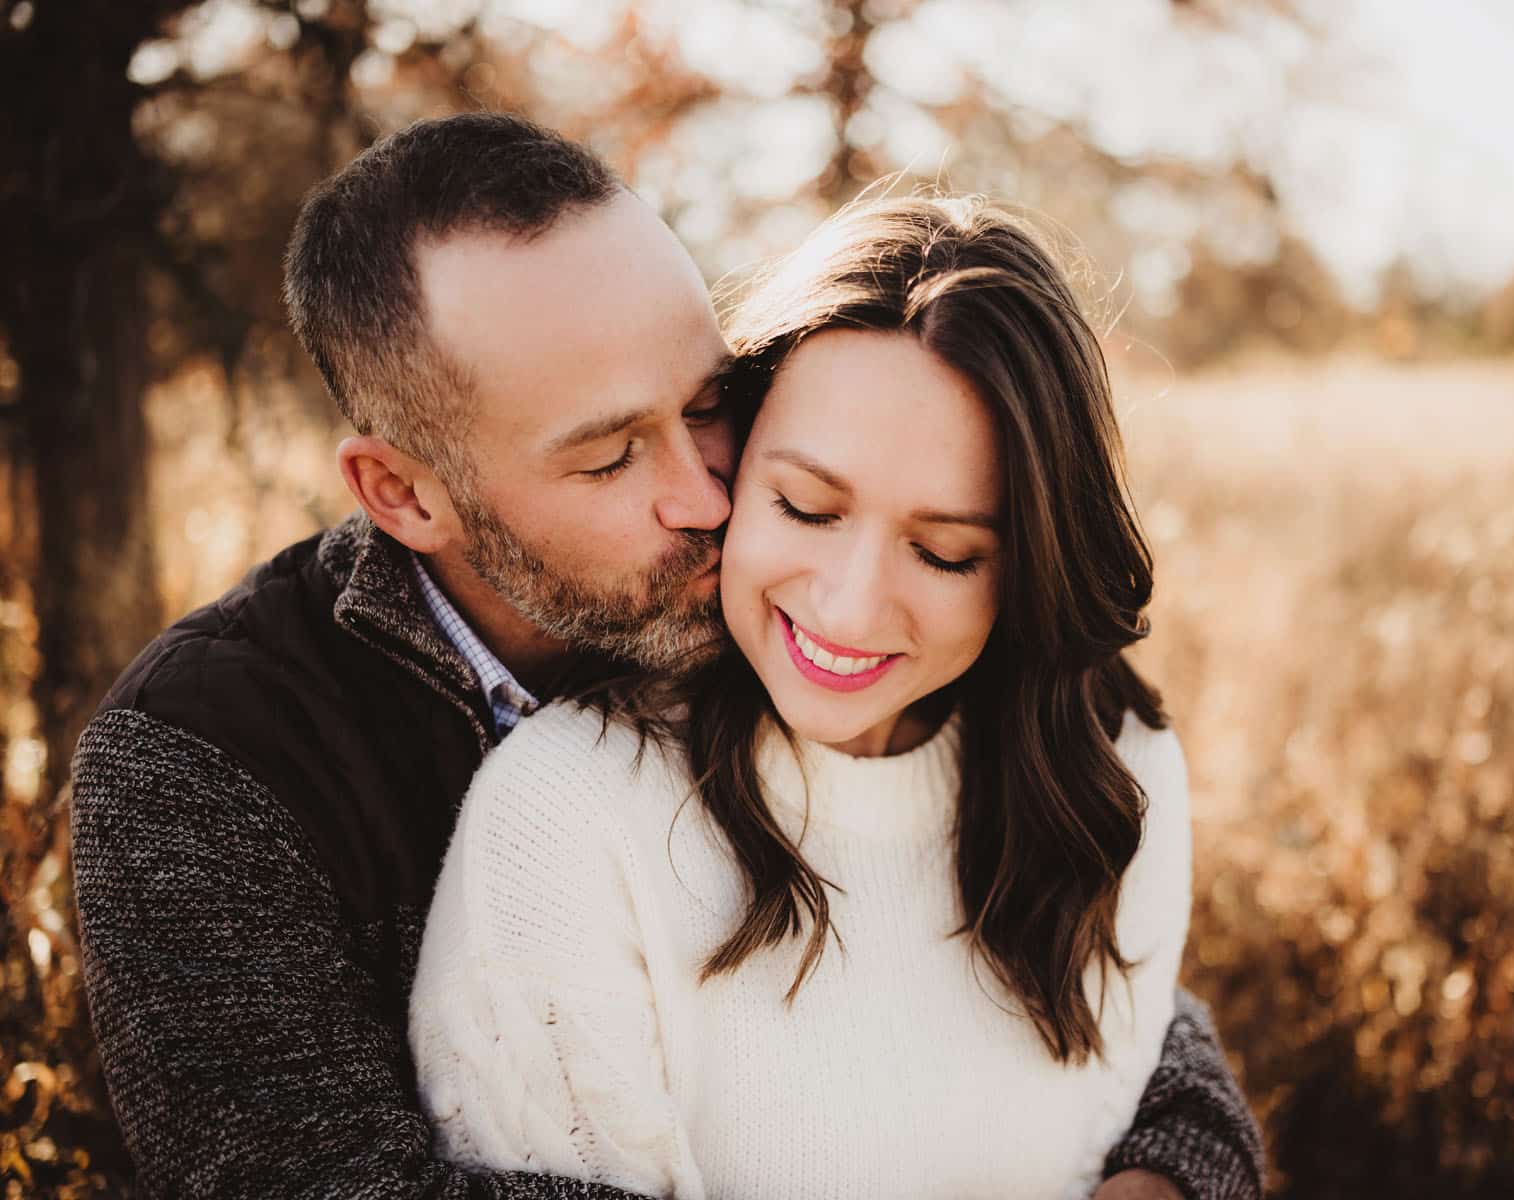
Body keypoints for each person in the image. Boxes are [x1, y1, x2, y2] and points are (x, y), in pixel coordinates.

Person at [68, 113, 1264, 1198]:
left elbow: (1048, 977)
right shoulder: (202, 766)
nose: (707, 495)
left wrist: (1172, 1160)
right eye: (608, 459)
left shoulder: (789, 619)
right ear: (406, 494)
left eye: (707, 403)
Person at [407, 192, 1221, 1199]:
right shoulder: (569, 815)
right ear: (730, 468)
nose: (848, 605)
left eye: (944, 551)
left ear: (1030, 567)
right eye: (805, 506)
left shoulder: (1120, 771)